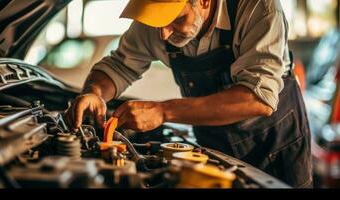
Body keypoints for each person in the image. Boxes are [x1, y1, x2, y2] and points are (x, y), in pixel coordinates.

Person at [66, 0, 312, 188]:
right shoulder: (158, 20)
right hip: (215, 147)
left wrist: (163, 111)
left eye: (174, 19)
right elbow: (118, 66)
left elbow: (258, 99)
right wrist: (94, 92)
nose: (163, 33)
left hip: (275, 145)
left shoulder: (259, 9)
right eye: (158, 22)